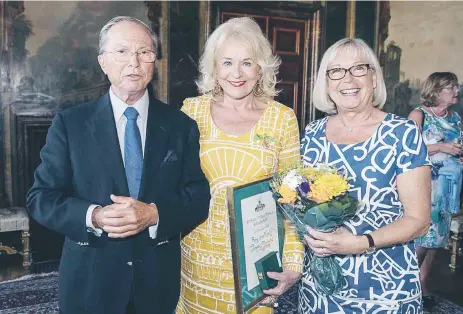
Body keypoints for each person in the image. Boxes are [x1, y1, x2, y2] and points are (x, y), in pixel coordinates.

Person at [26, 16, 210, 314]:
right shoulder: (70, 124)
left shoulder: (181, 126)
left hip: (157, 284)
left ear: (154, 60)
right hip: (90, 283)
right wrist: (94, 216)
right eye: (122, 52)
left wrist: (154, 214)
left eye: (144, 52)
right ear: (103, 62)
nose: (134, 63)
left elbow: (198, 197)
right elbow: (41, 198)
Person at [175, 17, 304, 314]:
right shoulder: (190, 112)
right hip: (194, 266)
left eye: (247, 63)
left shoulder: (282, 118)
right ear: (214, 68)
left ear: (261, 68)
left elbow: (292, 199)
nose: (237, 73)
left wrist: (293, 263)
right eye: (227, 62)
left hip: (256, 271)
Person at [300, 38, 431, 313]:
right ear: (326, 82)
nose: (348, 79)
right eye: (336, 71)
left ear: (373, 78)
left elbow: (418, 221)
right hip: (319, 289)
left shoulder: (402, 134)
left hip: (384, 288)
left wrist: (361, 243)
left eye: (359, 68)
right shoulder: (311, 134)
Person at [408, 72, 462, 309]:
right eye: (452, 88)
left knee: (437, 239)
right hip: (425, 185)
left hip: (448, 187)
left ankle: (423, 284)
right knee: (423, 236)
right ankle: (405, 283)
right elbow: (409, 151)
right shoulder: (418, 115)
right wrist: (443, 147)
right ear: (437, 90)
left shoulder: (456, 117)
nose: (457, 92)